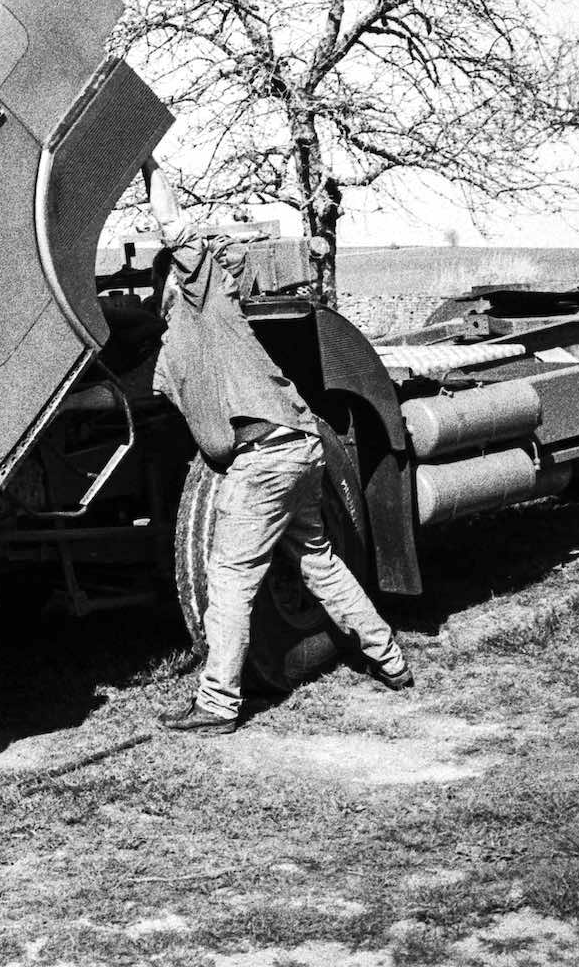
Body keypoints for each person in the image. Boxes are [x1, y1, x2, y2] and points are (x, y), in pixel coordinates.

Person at [143, 162, 412, 736]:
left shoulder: (204, 301)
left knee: (230, 577)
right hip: (299, 446)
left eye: (163, 276)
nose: (157, 287)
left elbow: (175, 228)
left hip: (265, 455)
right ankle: (389, 657)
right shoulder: (177, 345)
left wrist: (149, 165)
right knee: (318, 560)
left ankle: (218, 702)